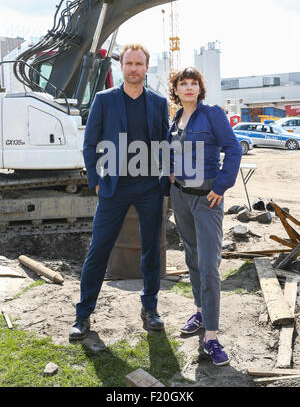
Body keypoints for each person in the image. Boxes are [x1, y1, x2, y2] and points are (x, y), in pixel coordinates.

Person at [69, 43, 169, 341]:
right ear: (121, 66)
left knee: (151, 250)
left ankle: (149, 309)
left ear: (146, 67)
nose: (134, 68)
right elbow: (90, 143)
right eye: (129, 63)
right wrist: (96, 181)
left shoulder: (158, 102)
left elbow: (163, 143)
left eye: (139, 64)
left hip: (149, 187)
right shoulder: (104, 100)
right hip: (113, 187)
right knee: (99, 249)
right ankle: (83, 315)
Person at [167, 66, 242, 366]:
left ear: (200, 88)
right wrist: (171, 172)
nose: (188, 88)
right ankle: (200, 312)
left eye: (193, 83)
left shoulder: (212, 114)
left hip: (207, 200)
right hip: (181, 198)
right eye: (182, 83)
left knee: (209, 265)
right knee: (192, 259)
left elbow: (233, 150)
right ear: (176, 90)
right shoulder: (175, 120)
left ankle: (211, 338)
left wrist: (222, 186)